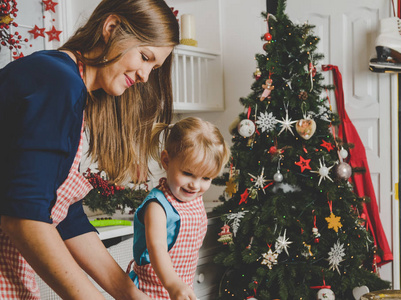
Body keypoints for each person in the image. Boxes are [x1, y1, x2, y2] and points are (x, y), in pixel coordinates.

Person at [0, 0, 179, 299]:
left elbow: (64, 215)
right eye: (145, 57)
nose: (145, 76)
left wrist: (131, 295)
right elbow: (25, 216)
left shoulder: (68, 84)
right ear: (111, 28)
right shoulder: (58, 81)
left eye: (154, 67)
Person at [127, 117, 229, 300]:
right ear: (166, 161)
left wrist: (178, 286)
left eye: (206, 178)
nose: (195, 186)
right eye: (188, 173)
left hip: (180, 287)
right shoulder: (157, 206)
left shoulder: (194, 198)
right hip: (151, 291)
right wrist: (173, 283)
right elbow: (156, 247)